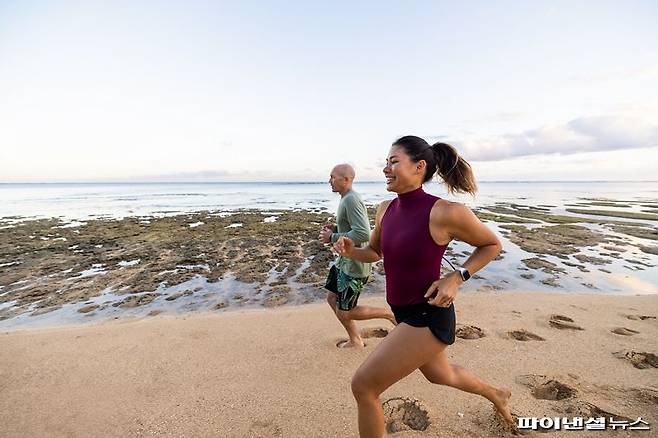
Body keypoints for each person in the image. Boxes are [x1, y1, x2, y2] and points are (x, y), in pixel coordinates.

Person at [333, 137, 514, 436]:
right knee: (442, 375)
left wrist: (456, 277)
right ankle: (497, 394)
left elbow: (492, 244)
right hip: (402, 312)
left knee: (364, 386)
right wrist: (351, 250)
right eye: (386, 162)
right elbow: (376, 253)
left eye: (393, 162)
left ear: (419, 167)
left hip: (429, 315)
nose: (385, 169)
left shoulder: (445, 212)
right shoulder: (385, 209)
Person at [319, 163, 396, 348]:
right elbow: (352, 229)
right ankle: (355, 339)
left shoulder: (352, 200)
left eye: (333, 177)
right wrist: (336, 230)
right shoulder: (345, 198)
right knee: (331, 298)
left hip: (355, 265)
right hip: (342, 262)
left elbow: (363, 233)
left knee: (346, 311)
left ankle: (387, 314)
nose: (329, 180)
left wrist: (333, 237)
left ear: (346, 180)